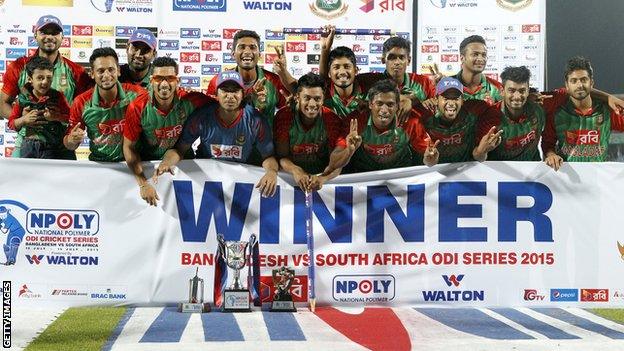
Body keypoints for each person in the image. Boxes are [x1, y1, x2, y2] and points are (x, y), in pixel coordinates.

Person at [155, 71, 278, 198]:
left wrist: (271, 172)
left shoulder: (255, 120)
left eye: (235, 91)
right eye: (225, 90)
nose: (230, 96)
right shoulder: (202, 116)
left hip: (241, 180)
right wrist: (166, 163)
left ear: (242, 94)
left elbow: (268, 157)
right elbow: (179, 150)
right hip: (206, 180)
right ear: (216, 94)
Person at [123, 57, 212, 206]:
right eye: (159, 78)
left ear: (178, 80)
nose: (164, 84)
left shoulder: (191, 99)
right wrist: (143, 184)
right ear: (151, 81)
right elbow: (128, 147)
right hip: (148, 167)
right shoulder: (137, 106)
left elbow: (224, 105)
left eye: (170, 78)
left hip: (183, 164)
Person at [0, 15, 91, 157]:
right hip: (27, 142)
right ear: (35, 35)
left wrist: (60, 117)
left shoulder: (76, 71)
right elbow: (2, 103)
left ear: (62, 37)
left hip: (62, 146)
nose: (49, 36)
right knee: (19, 180)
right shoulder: (18, 66)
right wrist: (21, 118)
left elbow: (85, 111)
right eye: (44, 32)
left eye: (55, 32)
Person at [326, 79, 432, 172]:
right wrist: (349, 150)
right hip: (364, 174)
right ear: (370, 104)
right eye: (379, 104)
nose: (384, 110)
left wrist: (430, 159)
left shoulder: (410, 122)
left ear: (397, 106)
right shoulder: (355, 122)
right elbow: (334, 163)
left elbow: (430, 160)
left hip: (400, 174)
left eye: (390, 104)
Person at [542, 56, 624, 169]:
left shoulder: (607, 110)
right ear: (566, 85)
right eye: (574, 81)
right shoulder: (557, 112)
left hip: (599, 179)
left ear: (592, 83)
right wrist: (551, 155)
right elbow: (547, 144)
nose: (579, 85)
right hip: (566, 180)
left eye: (584, 80)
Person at [64, 48, 145, 162]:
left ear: (118, 71)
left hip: (132, 164)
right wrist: (72, 140)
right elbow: (69, 145)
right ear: (92, 74)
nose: (106, 75)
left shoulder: (138, 95)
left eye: (111, 70)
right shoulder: (81, 102)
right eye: (100, 71)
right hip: (99, 166)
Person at [274, 73, 346, 192]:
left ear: (323, 99)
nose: (312, 104)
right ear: (297, 97)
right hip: (291, 179)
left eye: (317, 99)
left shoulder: (332, 120)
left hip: (322, 181)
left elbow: (336, 163)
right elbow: (282, 157)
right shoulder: (284, 116)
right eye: (307, 98)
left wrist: (322, 178)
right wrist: (296, 170)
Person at [205, 30, 288, 128]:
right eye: (242, 47)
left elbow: (290, 112)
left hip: (264, 142)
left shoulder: (275, 81)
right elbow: (208, 118)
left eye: (253, 47)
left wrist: (284, 74)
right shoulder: (217, 82)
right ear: (233, 54)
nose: (247, 52)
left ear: (259, 54)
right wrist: (250, 99)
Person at [414, 77, 502, 164]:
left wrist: (482, 150)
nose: (451, 103)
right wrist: (430, 160)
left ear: (462, 100)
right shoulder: (425, 115)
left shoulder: (473, 110)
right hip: (433, 173)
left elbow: (496, 108)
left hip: (465, 172)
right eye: (446, 98)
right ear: (436, 99)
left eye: (456, 98)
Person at [8, 57, 71, 159]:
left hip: (51, 146)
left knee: (48, 174)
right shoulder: (22, 98)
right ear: (30, 79)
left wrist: (56, 117)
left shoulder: (57, 96)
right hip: (27, 145)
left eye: (49, 78)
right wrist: (24, 120)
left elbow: (71, 118)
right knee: (26, 173)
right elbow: (11, 124)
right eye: (40, 78)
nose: (45, 82)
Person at [358, 36, 437, 115]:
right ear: (383, 60)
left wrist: (441, 85)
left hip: (414, 127)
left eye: (401, 57)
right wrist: (406, 99)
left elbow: (438, 104)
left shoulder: (423, 82)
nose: (397, 62)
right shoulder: (369, 82)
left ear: (408, 61)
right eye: (392, 58)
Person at [486, 66, 547, 161]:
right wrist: (483, 150)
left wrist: (550, 153)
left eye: (522, 91)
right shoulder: (490, 116)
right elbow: (479, 156)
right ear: (502, 91)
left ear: (528, 91)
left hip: (532, 171)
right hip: (499, 173)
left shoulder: (539, 110)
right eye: (511, 90)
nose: (517, 96)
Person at [451, 35, 503, 105]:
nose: (480, 59)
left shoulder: (497, 88)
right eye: (475, 54)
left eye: (484, 55)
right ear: (462, 58)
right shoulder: (447, 85)